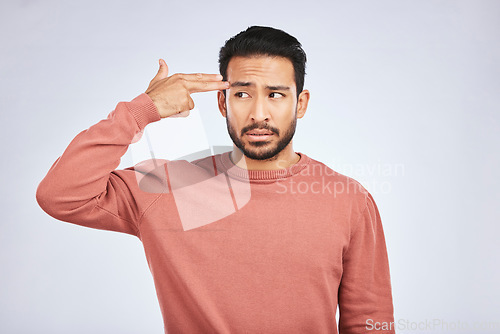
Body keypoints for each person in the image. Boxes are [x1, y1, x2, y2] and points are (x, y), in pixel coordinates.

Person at [36, 26, 396, 334]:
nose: (258, 113)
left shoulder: (348, 200)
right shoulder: (166, 188)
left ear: (300, 104)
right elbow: (60, 195)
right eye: (241, 94)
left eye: (275, 95)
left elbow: (371, 322)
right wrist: (141, 111)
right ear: (222, 103)